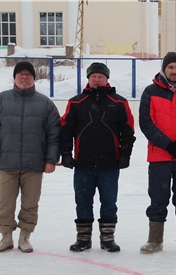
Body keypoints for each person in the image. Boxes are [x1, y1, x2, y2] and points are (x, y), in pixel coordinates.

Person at [0, 61, 61, 253]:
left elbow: (54, 134)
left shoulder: (45, 104)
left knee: (30, 203)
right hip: (7, 163)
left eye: (28, 74)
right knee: (5, 203)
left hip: (34, 164)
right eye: (21, 74)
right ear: (15, 77)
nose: (24, 77)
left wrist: (51, 160)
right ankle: (6, 236)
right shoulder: (1, 100)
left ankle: (25, 236)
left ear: (34, 78)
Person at [60, 62, 136, 253]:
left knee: (109, 202)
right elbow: (65, 130)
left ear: (107, 79)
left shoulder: (119, 102)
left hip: (110, 164)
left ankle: (108, 238)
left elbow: (128, 131)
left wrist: (125, 154)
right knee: (83, 201)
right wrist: (66, 154)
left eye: (100, 76)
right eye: (93, 76)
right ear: (88, 78)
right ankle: (83, 238)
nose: (96, 79)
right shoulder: (76, 102)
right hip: (82, 163)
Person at [138, 52, 176, 255]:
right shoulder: (150, 91)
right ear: (164, 69)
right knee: (158, 199)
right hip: (160, 156)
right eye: (170, 67)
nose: (174, 71)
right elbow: (146, 123)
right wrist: (167, 144)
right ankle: (155, 240)